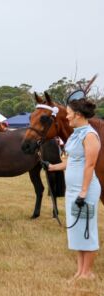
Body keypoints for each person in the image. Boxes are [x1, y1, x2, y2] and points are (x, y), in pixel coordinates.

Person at [46, 90, 101, 282]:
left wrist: (84, 192)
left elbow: (90, 164)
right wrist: (53, 167)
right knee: (76, 231)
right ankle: (80, 271)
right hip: (74, 191)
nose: (66, 116)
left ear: (78, 115)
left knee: (87, 229)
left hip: (85, 191)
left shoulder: (90, 135)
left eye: (68, 113)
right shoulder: (76, 134)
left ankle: (87, 273)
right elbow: (72, 161)